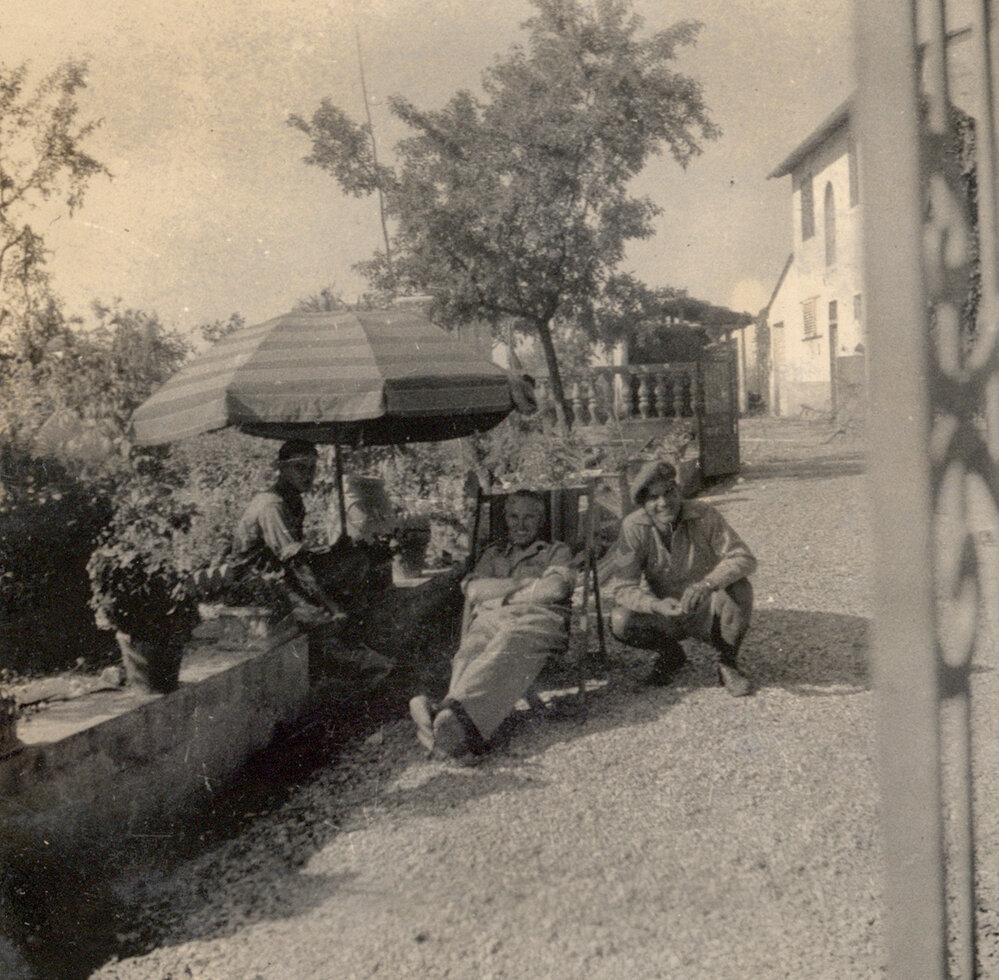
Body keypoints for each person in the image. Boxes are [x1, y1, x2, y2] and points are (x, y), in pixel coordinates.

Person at [409, 489, 575, 760]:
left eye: (529, 517)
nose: (520, 524)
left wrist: (501, 595)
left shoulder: (556, 551)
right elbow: (474, 591)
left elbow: (555, 589)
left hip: (538, 620)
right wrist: (525, 585)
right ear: (506, 519)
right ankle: (452, 723)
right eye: (513, 516)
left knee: (508, 642)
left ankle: (449, 721)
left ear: (541, 521)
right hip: (490, 619)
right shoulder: (493, 555)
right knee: (469, 651)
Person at [603, 460, 756, 696]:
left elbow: (742, 557)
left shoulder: (704, 514)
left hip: (708, 607)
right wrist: (654, 605)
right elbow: (623, 588)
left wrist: (707, 584)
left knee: (740, 588)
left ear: (678, 490)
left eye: (669, 492)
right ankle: (670, 654)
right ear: (643, 503)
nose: (664, 503)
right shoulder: (633, 527)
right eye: (653, 498)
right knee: (620, 620)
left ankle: (728, 663)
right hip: (666, 612)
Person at [233, 440, 367, 624]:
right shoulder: (272, 505)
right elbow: (294, 561)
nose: (308, 475)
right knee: (320, 618)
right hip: (256, 582)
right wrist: (329, 605)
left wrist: (330, 551)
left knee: (353, 559)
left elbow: (295, 553)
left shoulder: (293, 499)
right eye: (300, 467)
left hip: (278, 572)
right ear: (282, 468)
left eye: (312, 468)